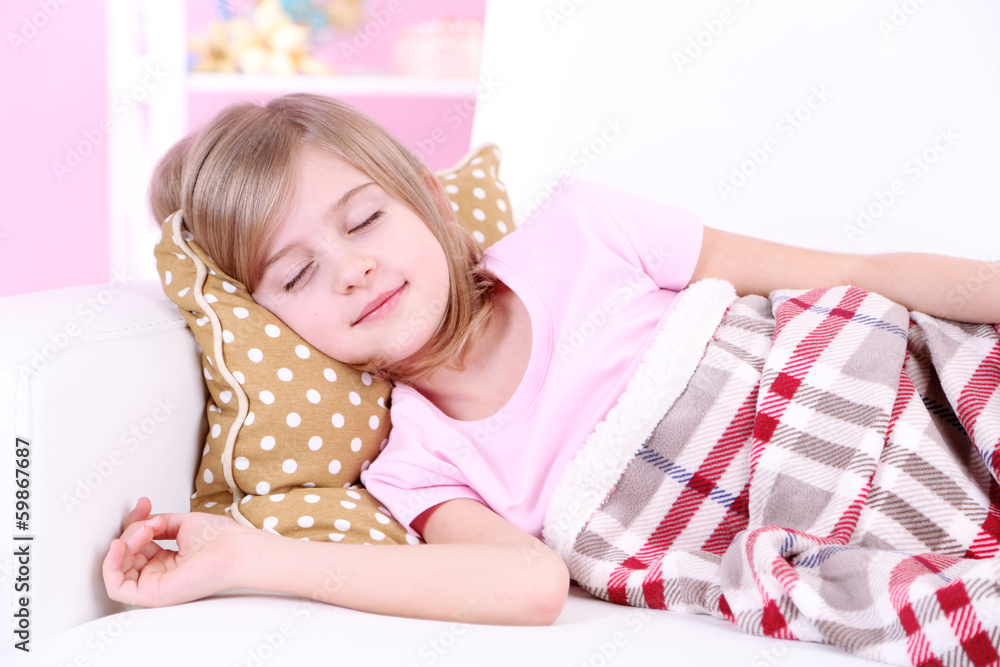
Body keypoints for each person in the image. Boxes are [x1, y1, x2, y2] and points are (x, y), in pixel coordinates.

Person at [103, 93, 1000, 626]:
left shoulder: (582, 230)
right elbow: (527, 581)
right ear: (279, 334)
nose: (353, 269)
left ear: (430, 204)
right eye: (296, 274)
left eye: (366, 218)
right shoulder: (416, 460)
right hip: (845, 527)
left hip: (901, 392)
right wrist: (245, 556)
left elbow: (852, 278)